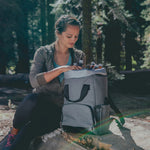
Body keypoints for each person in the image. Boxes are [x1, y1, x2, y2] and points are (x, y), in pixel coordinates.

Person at [2, 15, 86, 150]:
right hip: (38, 104)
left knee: (29, 131)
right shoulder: (43, 53)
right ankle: (13, 132)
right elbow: (34, 81)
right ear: (58, 33)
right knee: (31, 99)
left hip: (59, 110)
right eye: (69, 36)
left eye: (76, 36)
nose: (73, 40)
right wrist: (60, 70)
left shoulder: (79, 56)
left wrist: (89, 74)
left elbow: (79, 88)